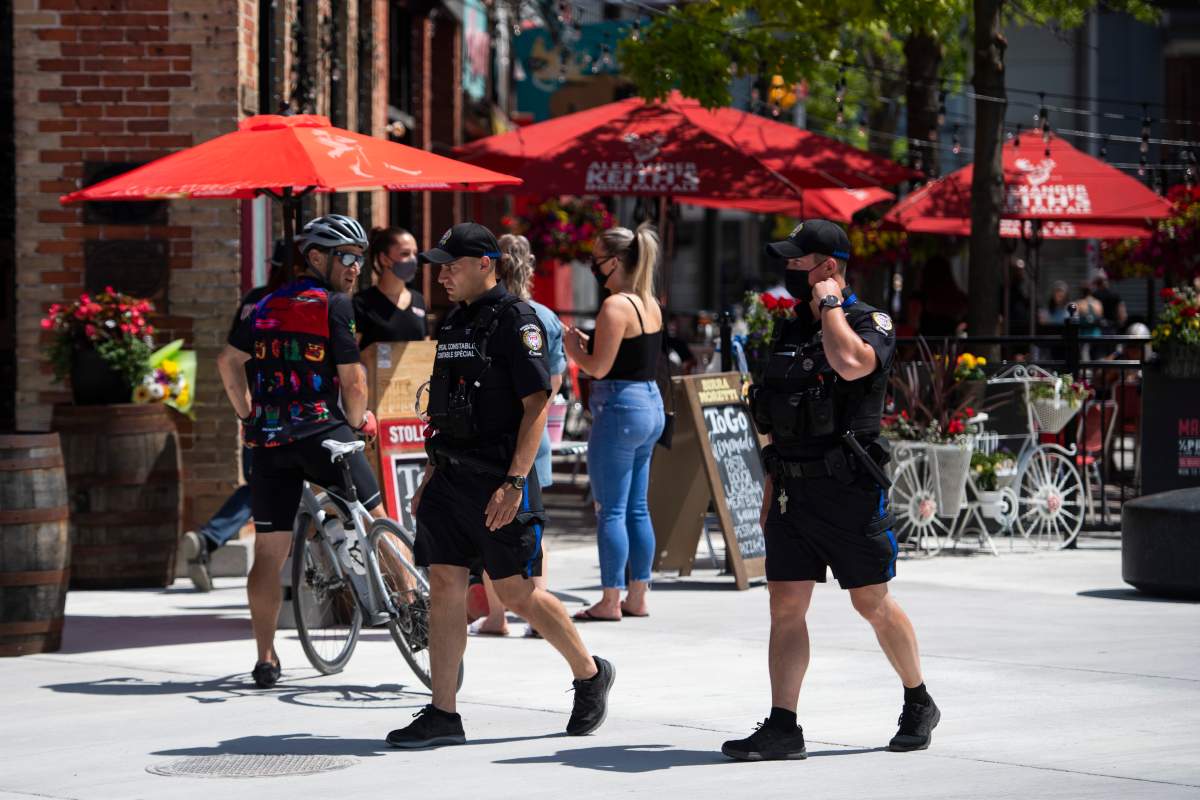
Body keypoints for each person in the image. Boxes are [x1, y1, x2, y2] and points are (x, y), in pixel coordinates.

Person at [387, 222, 614, 749]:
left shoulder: (519, 322)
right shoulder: (454, 322)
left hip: (498, 479)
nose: (442, 274)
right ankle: (444, 713)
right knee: (445, 585)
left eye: (453, 265)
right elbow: (446, 410)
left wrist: (515, 482)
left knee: (514, 592)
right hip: (451, 476)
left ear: (485, 264)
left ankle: (589, 672)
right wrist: (430, 476)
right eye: (441, 265)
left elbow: (538, 405)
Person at [727, 219, 938, 762]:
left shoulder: (870, 322)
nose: (789, 269)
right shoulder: (790, 327)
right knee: (785, 606)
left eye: (800, 260)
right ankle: (783, 725)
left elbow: (849, 364)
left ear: (829, 266)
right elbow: (771, 411)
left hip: (847, 490)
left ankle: (918, 700)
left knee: (870, 601)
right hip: (794, 491)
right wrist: (770, 479)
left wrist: (830, 308)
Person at [216, 214, 382, 689]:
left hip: (269, 441)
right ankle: (411, 605)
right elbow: (353, 381)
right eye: (347, 257)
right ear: (315, 258)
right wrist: (359, 423)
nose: (355, 267)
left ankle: (266, 658)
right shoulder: (334, 305)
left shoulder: (259, 304)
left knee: (268, 552)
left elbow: (228, 362)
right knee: (376, 519)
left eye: (360, 259)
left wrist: (248, 415)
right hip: (323, 433)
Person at [563, 223, 666, 621]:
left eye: (597, 257)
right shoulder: (648, 301)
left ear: (616, 261)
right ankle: (637, 594)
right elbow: (630, 355)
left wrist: (575, 351)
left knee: (610, 509)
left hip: (620, 408)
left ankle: (609, 599)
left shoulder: (614, 305)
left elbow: (599, 368)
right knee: (637, 508)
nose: (592, 264)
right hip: (650, 403)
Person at [468, 233, 568, 638]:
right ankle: (539, 612)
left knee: (493, 527)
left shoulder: (487, 314)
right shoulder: (544, 316)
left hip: (496, 441)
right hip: (534, 436)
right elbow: (554, 382)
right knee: (533, 529)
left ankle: (497, 616)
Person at [183, 239, 292, 591]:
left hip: (254, 405)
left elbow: (232, 357)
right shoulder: (289, 303)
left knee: (262, 485)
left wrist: (244, 410)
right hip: (289, 410)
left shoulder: (252, 300)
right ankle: (213, 538)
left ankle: (208, 541)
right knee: (271, 486)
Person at [354, 226, 428, 348]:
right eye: (405, 253)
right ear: (384, 259)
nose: (413, 260)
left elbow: (425, 350)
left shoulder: (419, 300)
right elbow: (351, 355)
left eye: (414, 254)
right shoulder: (362, 303)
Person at [913, 255, 967, 337]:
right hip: (951, 346)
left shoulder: (920, 299)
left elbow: (912, 326)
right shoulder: (959, 298)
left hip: (925, 345)